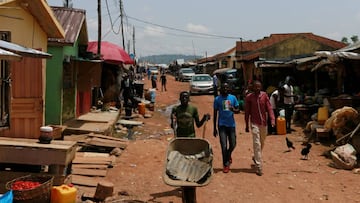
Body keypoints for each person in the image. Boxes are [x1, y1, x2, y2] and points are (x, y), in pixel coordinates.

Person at [245, 80, 275, 176]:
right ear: (252, 88)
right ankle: (259, 166)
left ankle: (255, 157)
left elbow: (269, 108)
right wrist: (246, 124)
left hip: (263, 123)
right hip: (254, 123)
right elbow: (247, 112)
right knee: (256, 143)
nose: (257, 88)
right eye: (255, 87)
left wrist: (272, 119)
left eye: (259, 87)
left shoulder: (264, 96)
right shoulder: (249, 98)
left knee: (262, 142)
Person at [213, 83, 240, 173]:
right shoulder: (217, 99)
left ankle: (228, 154)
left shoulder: (233, 98)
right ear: (220, 89)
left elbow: (238, 110)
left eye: (227, 87)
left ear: (229, 89)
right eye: (223, 87)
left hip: (231, 125)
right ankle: (226, 164)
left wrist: (233, 109)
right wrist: (214, 128)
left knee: (233, 143)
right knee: (223, 145)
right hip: (222, 125)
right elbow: (215, 114)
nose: (225, 89)